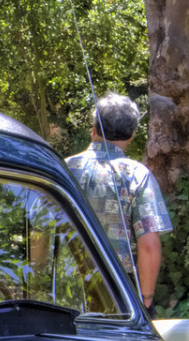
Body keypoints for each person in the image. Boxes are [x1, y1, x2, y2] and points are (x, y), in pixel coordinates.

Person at [65, 93, 170, 308]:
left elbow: (40, 230)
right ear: (131, 135)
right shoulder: (138, 175)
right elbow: (149, 245)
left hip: (65, 287)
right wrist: (146, 300)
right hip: (119, 291)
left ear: (94, 129)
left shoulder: (64, 168)